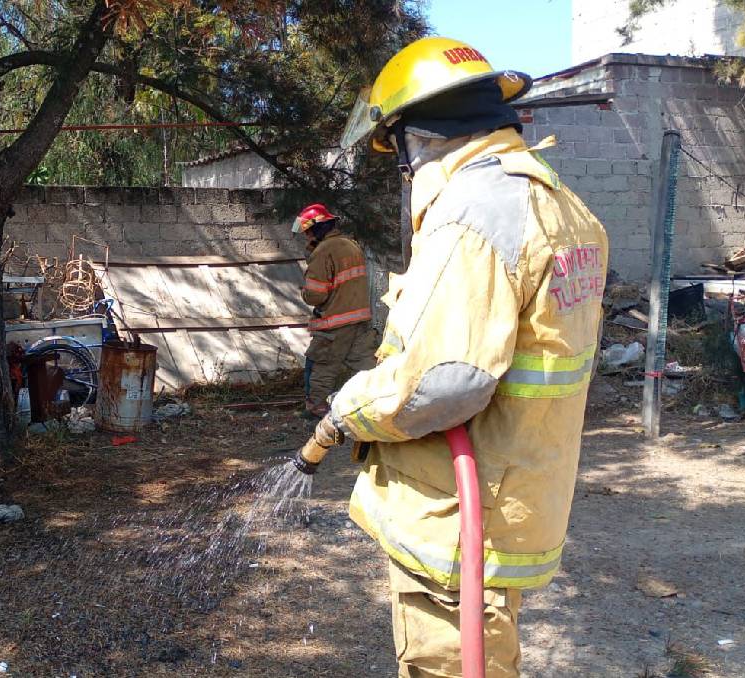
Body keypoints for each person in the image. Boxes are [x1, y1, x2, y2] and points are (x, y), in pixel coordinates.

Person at [307, 37, 608, 676]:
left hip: (455, 515)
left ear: (419, 141)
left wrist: (349, 407)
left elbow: (445, 384)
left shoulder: (472, 214)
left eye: (400, 156)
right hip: (518, 488)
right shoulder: (558, 203)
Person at [294, 203, 378, 418]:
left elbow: (316, 295)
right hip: (359, 318)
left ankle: (316, 409)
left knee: (320, 365)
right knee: (365, 366)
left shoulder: (324, 251)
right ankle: (375, 403)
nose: (307, 236)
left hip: (335, 322)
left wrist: (304, 292)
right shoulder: (351, 244)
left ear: (318, 228)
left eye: (308, 232)